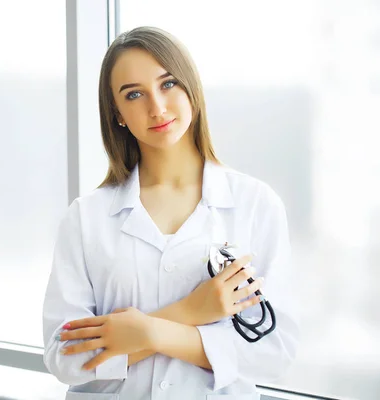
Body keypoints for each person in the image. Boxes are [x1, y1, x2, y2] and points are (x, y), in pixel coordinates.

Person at [42, 26, 299, 399]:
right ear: (117, 114)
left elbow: (275, 353)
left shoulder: (256, 204)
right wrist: (190, 311)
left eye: (168, 84)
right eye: (134, 94)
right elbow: (65, 360)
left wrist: (147, 333)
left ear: (191, 88)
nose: (157, 107)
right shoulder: (86, 218)